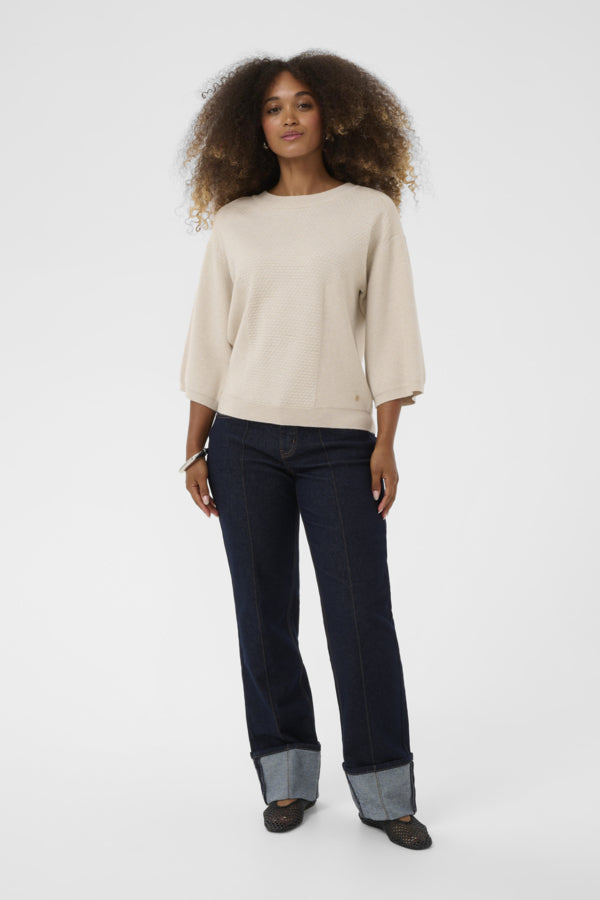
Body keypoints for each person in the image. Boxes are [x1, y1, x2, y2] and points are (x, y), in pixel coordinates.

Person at [177, 51, 432, 851]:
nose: (288, 117)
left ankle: (385, 793)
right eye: (272, 107)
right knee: (263, 618)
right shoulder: (235, 222)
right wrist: (193, 448)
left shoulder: (369, 214)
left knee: (360, 617)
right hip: (241, 442)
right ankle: (286, 777)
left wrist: (386, 442)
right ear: (252, 127)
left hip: (339, 445)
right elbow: (210, 341)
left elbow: (391, 331)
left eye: (304, 102)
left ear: (332, 114)